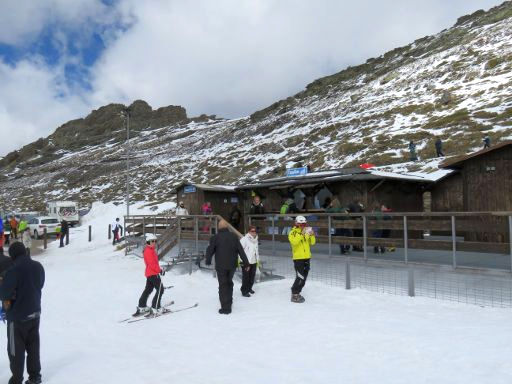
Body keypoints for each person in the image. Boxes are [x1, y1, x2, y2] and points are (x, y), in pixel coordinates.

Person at [0, 242, 45, 384]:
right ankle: (35, 376)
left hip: (17, 317)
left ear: (12, 255)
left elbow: (4, 294)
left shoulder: (13, 270)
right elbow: (40, 284)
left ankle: (17, 379)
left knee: (16, 351)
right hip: (35, 313)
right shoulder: (38, 266)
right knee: (33, 347)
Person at [205, 219, 249, 314]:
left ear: (219, 227)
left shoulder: (215, 237)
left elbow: (210, 250)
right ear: (227, 227)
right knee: (229, 282)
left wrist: (208, 260)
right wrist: (246, 263)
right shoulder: (234, 237)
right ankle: (229, 300)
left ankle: (225, 308)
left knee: (223, 285)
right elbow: (240, 250)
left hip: (221, 265)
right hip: (232, 265)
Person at [136, 233, 165, 315]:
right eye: (152, 241)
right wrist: (159, 270)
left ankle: (142, 306)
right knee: (160, 290)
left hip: (150, 273)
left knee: (148, 289)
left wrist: (159, 269)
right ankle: (156, 307)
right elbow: (152, 264)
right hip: (153, 273)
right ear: (148, 242)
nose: (154, 243)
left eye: (155, 241)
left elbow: (153, 263)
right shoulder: (149, 251)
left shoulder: (150, 250)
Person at [288, 216, 316, 303]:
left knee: (305, 276)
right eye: (300, 224)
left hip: (307, 257)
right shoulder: (293, 232)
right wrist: (302, 234)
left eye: (304, 224)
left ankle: (298, 291)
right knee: (300, 276)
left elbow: (313, 242)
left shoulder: (306, 231)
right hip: (298, 258)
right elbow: (294, 242)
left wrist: (312, 235)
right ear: (296, 223)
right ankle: (294, 292)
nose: (302, 226)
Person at [239, 226, 259, 297]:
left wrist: (257, 259)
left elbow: (256, 251)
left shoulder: (256, 239)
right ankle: (244, 291)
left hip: (254, 261)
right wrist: (242, 261)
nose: (254, 232)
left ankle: (249, 288)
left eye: (255, 231)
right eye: (252, 231)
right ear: (249, 231)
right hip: (246, 262)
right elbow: (240, 250)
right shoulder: (244, 239)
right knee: (246, 277)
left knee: (252, 276)